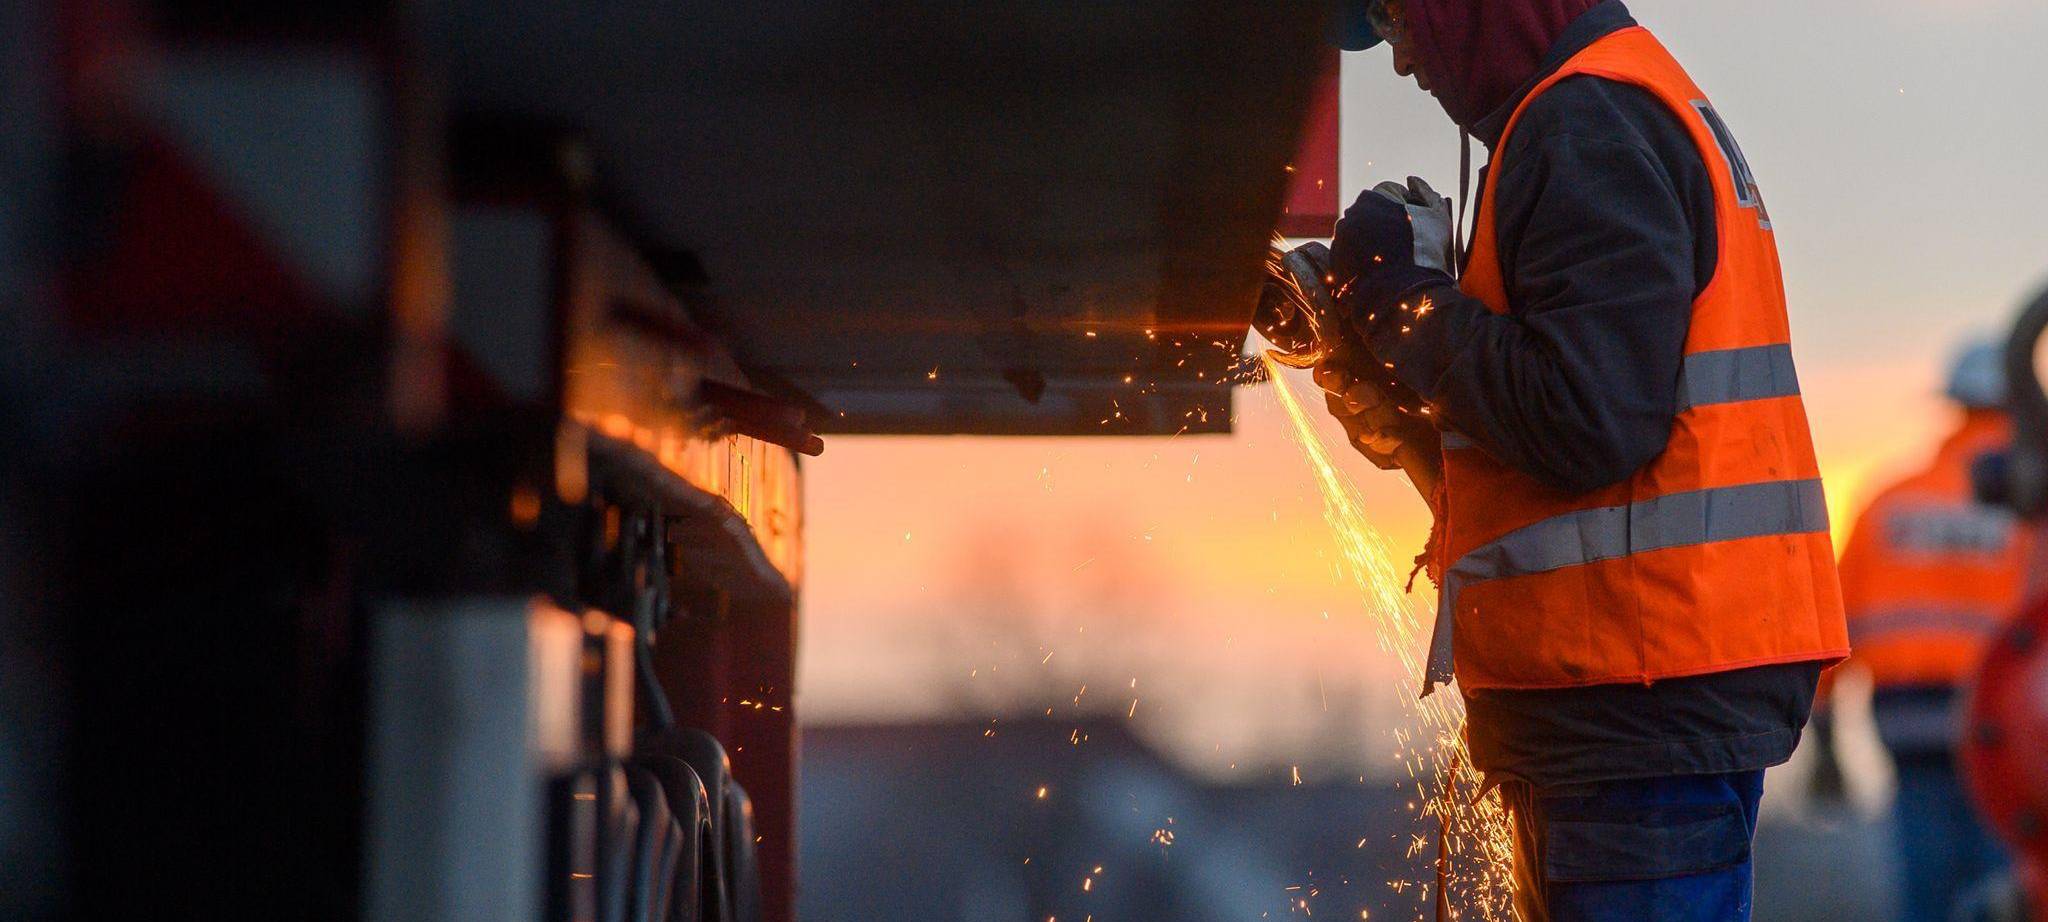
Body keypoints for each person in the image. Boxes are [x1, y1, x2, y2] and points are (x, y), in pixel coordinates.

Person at [1315, 2, 1849, 919]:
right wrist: (1408, 405)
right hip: (1637, 696)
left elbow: (1588, 419)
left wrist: (1407, 303)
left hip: (1639, 704)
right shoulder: (1599, 109)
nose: (1404, 65)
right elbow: (1586, 448)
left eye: (1399, 22)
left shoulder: (1586, 122)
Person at [1832, 340, 2025, 922]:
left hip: (1907, 723)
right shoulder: (2030, 510)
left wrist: (1820, 733)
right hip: (2007, 725)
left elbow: (1833, 624)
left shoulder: (1888, 501)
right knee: (2008, 887)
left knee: (1927, 887)